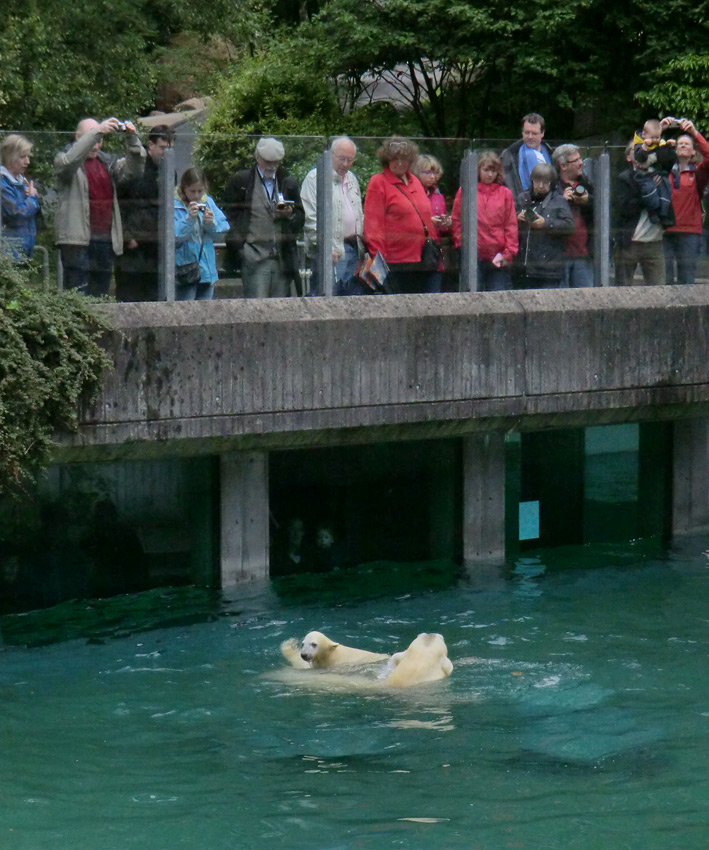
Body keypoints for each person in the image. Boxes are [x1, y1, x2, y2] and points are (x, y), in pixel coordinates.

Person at [54, 117, 145, 296]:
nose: (96, 145)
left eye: (100, 141)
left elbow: (134, 170)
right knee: (77, 299)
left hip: (105, 241)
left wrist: (132, 138)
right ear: (77, 137)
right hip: (76, 241)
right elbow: (68, 162)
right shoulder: (63, 160)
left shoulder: (107, 163)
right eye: (92, 138)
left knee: (101, 299)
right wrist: (97, 133)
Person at [223, 137, 304, 299]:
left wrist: (290, 215)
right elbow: (229, 217)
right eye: (268, 162)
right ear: (257, 157)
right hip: (254, 256)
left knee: (281, 309)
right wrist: (241, 249)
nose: (272, 167)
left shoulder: (287, 181)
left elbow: (301, 217)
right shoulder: (241, 181)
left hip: (282, 257)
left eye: (276, 163)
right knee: (256, 309)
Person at [363, 136, 438, 294]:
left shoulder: (415, 182)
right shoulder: (378, 182)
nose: (399, 163)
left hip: (422, 258)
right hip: (395, 261)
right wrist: (380, 260)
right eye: (394, 159)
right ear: (387, 160)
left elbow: (423, 217)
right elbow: (373, 226)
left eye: (403, 159)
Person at [115, 124, 174, 302]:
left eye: (170, 150)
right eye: (163, 148)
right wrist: (127, 236)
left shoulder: (170, 173)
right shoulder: (135, 171)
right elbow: (119, 205)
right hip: (134, 249)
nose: (166, 153)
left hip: (159, 248)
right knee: (131, 299)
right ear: (151, 145)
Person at [301, 136, 365, 295]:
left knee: (351, 298)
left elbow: (358, 212)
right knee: (329, 296)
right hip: (332, 251)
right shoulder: (315, 178)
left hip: (354, 247)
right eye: (342, 159)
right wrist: (326, 248)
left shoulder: (352, 178)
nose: (345, 164)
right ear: (330, 155)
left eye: (350, 160)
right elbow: (311, 218)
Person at [451, 150, 518, 291]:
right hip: (473, 255)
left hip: (498, 255)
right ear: (478, 170)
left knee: (498, 297)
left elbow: (511, 225)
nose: (489, 175)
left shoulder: (505, 193)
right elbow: (457, 220)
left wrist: (508, 253)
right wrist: (461, 245)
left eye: (493, 171)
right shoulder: (466, 191)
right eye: (486, 170)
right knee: (472, 299)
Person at [614, 140, 675, 286]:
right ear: (629, 157)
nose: (642, 152)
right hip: (631, 241)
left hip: (654, 242)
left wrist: (666, 143)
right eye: (636, 150)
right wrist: (648, 194)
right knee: (623, 289)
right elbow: (624, 208)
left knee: (659, 289)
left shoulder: (658, 172)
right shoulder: (624, 178)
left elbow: (669, 158)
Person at [663, 118, 709, 285]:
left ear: (693, 152)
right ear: (674, 150)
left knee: (687, 279)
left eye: (687, 144)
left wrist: (694, 133)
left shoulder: (698, 173)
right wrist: (660, 129)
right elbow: (644, 155)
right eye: (679, 143)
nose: (682, 145)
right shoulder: (664, 171)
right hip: (665, 231)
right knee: (663, 279)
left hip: (689, 232)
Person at [515, 162, 575, 289]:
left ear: (551, 184)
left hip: (549, 267)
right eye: (537, 182)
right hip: (524, 265)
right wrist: (517, 218)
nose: (540, 186)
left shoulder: (559, 201)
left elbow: (569, 226)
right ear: (532, 181)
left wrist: (546, 224)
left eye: (545, 183)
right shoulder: (522, 198)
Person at [174, 167, 229, 300]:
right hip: (185, 271)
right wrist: (189, 219)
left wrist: (211, 223)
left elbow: (223, 229)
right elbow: (175, 237)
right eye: (192, 191)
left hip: (207, 272)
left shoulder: (208, 202)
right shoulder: (175, 205)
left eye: (200, 191)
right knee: (186, 312)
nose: (197, 196)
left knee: (206, 313)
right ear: (183, 189)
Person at [552, 144, 595, 288]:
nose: (581, 163)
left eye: (580, 159)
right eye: (576, 160)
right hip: (559, 255)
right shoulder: (552, 186)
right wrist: (561, 200)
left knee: (586, 300)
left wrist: (587, 200)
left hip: (584, 253)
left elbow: (602, 207)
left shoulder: (586, 183)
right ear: (563, 166)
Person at [410, 154, 450, 293]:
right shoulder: (410, 194)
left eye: (434, 172)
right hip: (414, 254)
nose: (432, 176)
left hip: (433, 256)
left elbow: (444, 229)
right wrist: (427, 222)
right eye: (427, 172)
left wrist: (446, 223)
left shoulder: (438, 196)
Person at [1, 134, 41, 261]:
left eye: (28, 156)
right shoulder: (3, 182)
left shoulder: (20, 181)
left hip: (21, 248)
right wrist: (33, 198)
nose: (27, 161)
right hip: (8, 250)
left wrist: (33, 198)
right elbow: (16, 215)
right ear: (10, 157)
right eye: (23, 157)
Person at [501, 113, 554, 201]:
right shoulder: (508, 156)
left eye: (534, 133)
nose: (530, 137)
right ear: (522, 132)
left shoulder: (552, 155)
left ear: (542, 133)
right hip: (519, 206)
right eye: (527, 132)